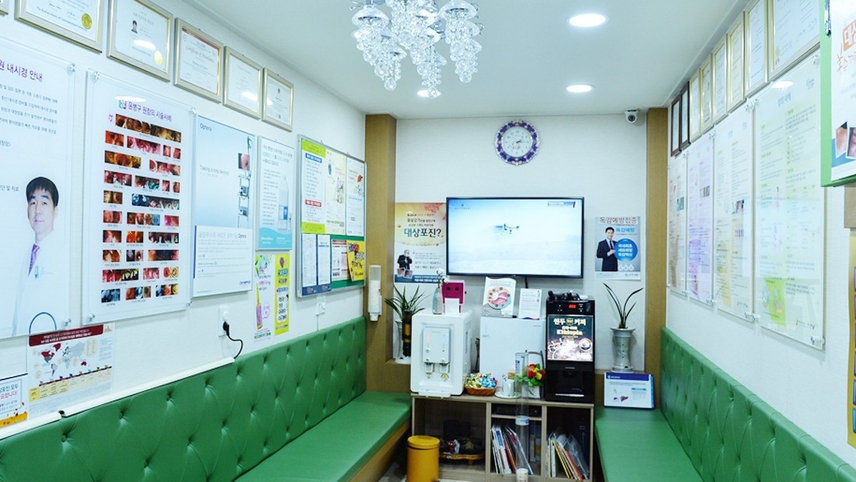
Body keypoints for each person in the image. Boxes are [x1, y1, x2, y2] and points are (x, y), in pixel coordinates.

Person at [10, 177, 67, 337]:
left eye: (44, 203)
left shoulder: (63, 254)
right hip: (22, 341)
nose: (37, 210)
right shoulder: (28, 254)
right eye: (33, 203)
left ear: (55, 211)